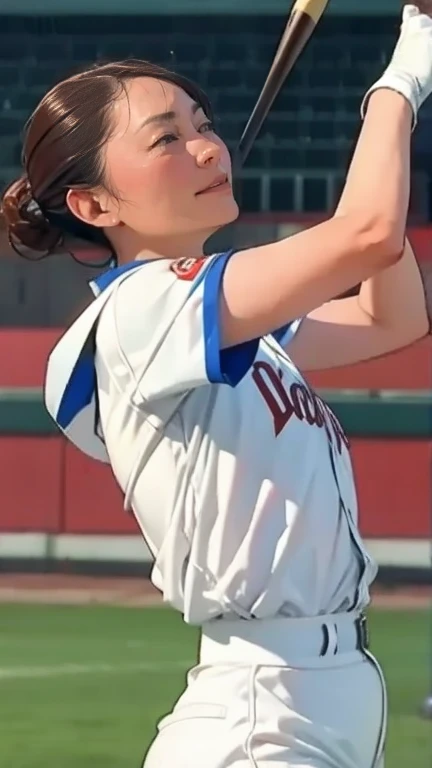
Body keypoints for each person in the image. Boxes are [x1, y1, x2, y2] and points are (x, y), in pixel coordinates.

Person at [2, 5, 432, 767]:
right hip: (260, 712)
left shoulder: (215, 325)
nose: (205, 147)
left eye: (202, 123)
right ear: (93, 206)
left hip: (322, 691)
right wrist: (398, 83)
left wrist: (370, 174)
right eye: (167, 137)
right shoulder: (142, 310)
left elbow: (389, 316)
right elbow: (368, 235)